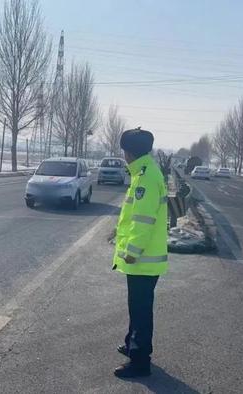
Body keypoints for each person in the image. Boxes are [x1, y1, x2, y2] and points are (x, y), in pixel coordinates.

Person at [111, 127, 168, 378]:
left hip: (142, 259)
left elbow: (143, 220)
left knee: (141, 310)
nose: (123, 155)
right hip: (144, 258)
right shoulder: (144, 172)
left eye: (124, 150)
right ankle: (132, 343)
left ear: (129, 152)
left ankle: (140, 361)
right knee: (137, 307)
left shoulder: (145, 177)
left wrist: (132, 251)